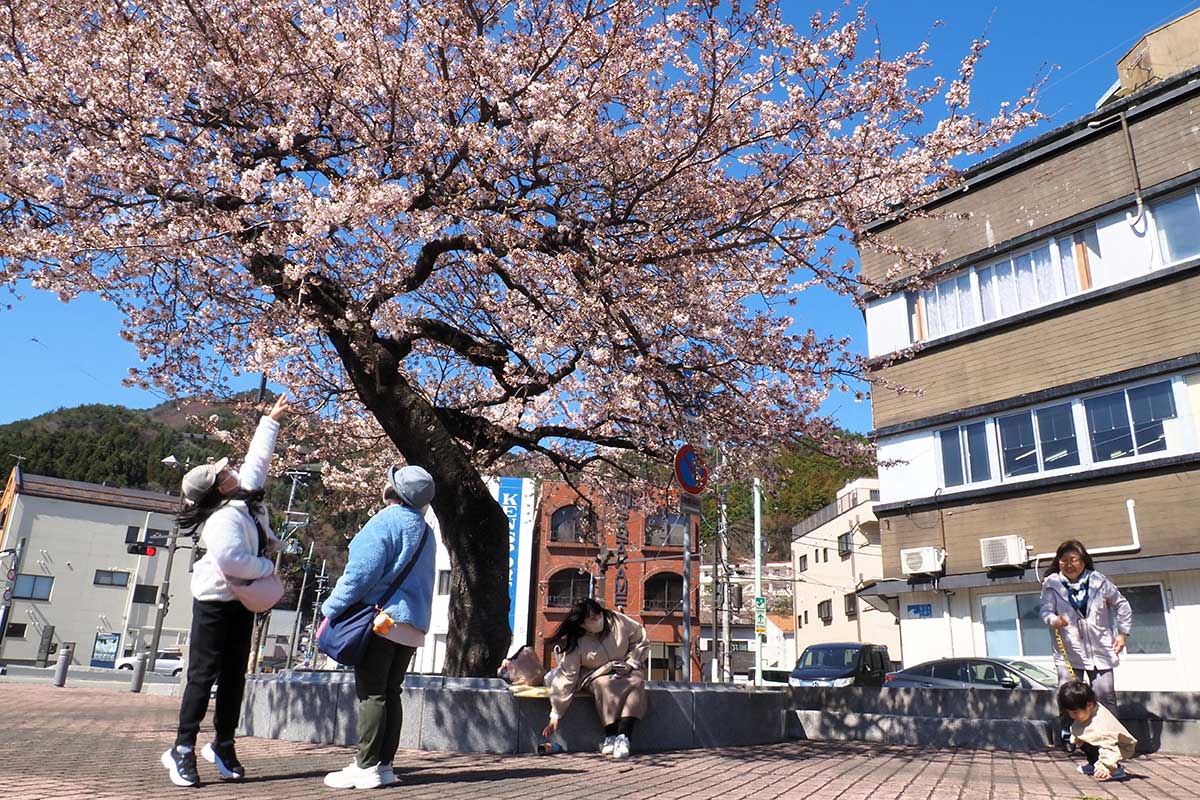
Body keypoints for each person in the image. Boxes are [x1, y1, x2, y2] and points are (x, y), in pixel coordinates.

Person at [162, 394, 290, 788]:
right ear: (219, 489)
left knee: (235, 675)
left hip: (240, 602)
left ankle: (223, 743)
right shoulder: (222, 520)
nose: (230, 471)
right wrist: (269, 567)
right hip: (216, 603)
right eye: (223, 473)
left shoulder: (244, 500)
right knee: (202, 677)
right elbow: (233, 561)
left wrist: (270, 422)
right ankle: (182, 749)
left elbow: (257, 462)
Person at [322, 465, 437, 791]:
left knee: (372, 693)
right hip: (411, 625)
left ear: (392, 491)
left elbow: (359, 574)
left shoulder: (385, 522)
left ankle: (366, 765)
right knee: (390, 692)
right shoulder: (426, 532)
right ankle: (384, 764)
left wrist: (330, 609)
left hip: (380, 620)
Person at [542, 598, 651, 760]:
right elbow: (567, 675)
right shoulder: (577, 641)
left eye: (598, 615)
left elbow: (640, 639)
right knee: (603, 685)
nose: (598, 620)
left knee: (636, 681)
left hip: (625, 669)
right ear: (582, 624)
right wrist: (555, 714)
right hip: (595, 675)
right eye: (592, 619)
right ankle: (611, 734)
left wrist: (630, 663)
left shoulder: (618, 620)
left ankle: (624, 735)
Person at [1040, 539, 1133, 713]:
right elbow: (1045, 611)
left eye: (1074, 560)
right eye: (1064, 560)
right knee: (1067, 699)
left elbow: (1122, 605)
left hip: (1101, 651)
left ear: (1083, 561)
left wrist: (1122, 634)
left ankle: (1108, 738)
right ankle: (1070, 738)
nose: (1069, 565)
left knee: (1105, 698)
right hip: (1069, 653)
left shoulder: (1099, 581)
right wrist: (1054, 620)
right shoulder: (1051, 584)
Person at [1058, 680, 1136, 781]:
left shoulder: (1101, 725)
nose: (1071, 716)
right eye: (1069, 712)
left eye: (1075, 712)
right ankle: (1094, 763)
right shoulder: (1089, 709)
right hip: (1108, 744)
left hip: (1119, 747)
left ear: (1089, 705)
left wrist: (1104, 767)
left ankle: (1115, 769)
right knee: (1085, 739)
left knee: (1096, 742)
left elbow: (1110, 748)